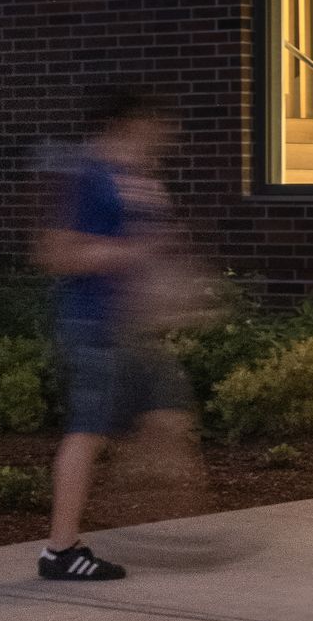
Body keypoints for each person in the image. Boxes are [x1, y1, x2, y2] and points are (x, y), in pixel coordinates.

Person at [35, 86, 207, 581]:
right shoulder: (90, 176)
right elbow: (56, 253)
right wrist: (131, 254)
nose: (164, 134)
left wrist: (174, 293)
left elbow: (152, 252)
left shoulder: (135, 179)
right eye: (155, 123)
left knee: (170, 415)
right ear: (126, 124)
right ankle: (61, 550)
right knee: (87, 430)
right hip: (93, 323)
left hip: (130, 328)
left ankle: (160, 526)